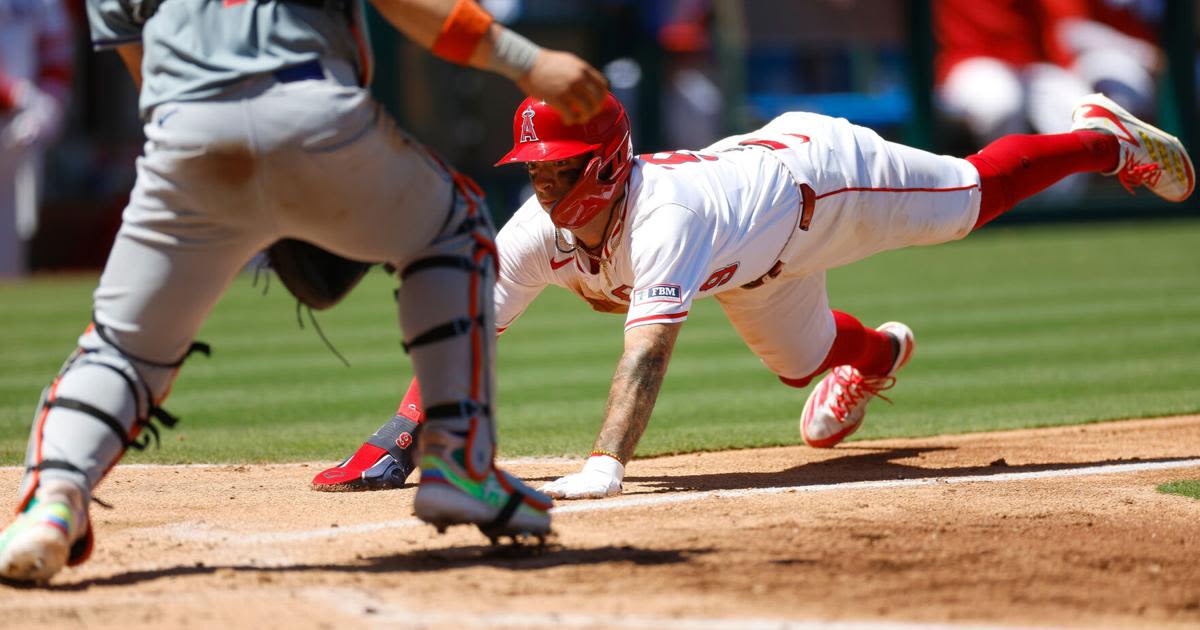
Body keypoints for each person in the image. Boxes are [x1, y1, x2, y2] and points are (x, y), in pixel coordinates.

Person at [314, 90, 1193, 500]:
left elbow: (647, 351)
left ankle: (1100, 141)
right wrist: (395, 437)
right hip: (756, 260)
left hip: (822, 186)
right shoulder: (537, 230)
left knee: (966, 199)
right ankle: (878, 356)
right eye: (535, 173)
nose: (543, 189)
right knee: (803, 365)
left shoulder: (666, 218)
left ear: (609, 163)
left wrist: (605, 466)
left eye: (559, 171)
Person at [0, 0, 608, 584]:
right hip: (313, 106)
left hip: (183, 131)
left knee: (124, 346)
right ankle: (459, 462)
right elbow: (409, 6)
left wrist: (239, 183)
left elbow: (144, 73)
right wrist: (526, 62)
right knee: (457, 227)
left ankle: (53, 499)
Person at [0, 0, 73, 277]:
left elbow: (57, 53)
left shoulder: (44, 4)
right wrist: (18, 95)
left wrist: (47, 109)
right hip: (17, 104)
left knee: (11, 239)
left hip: (19, 124)